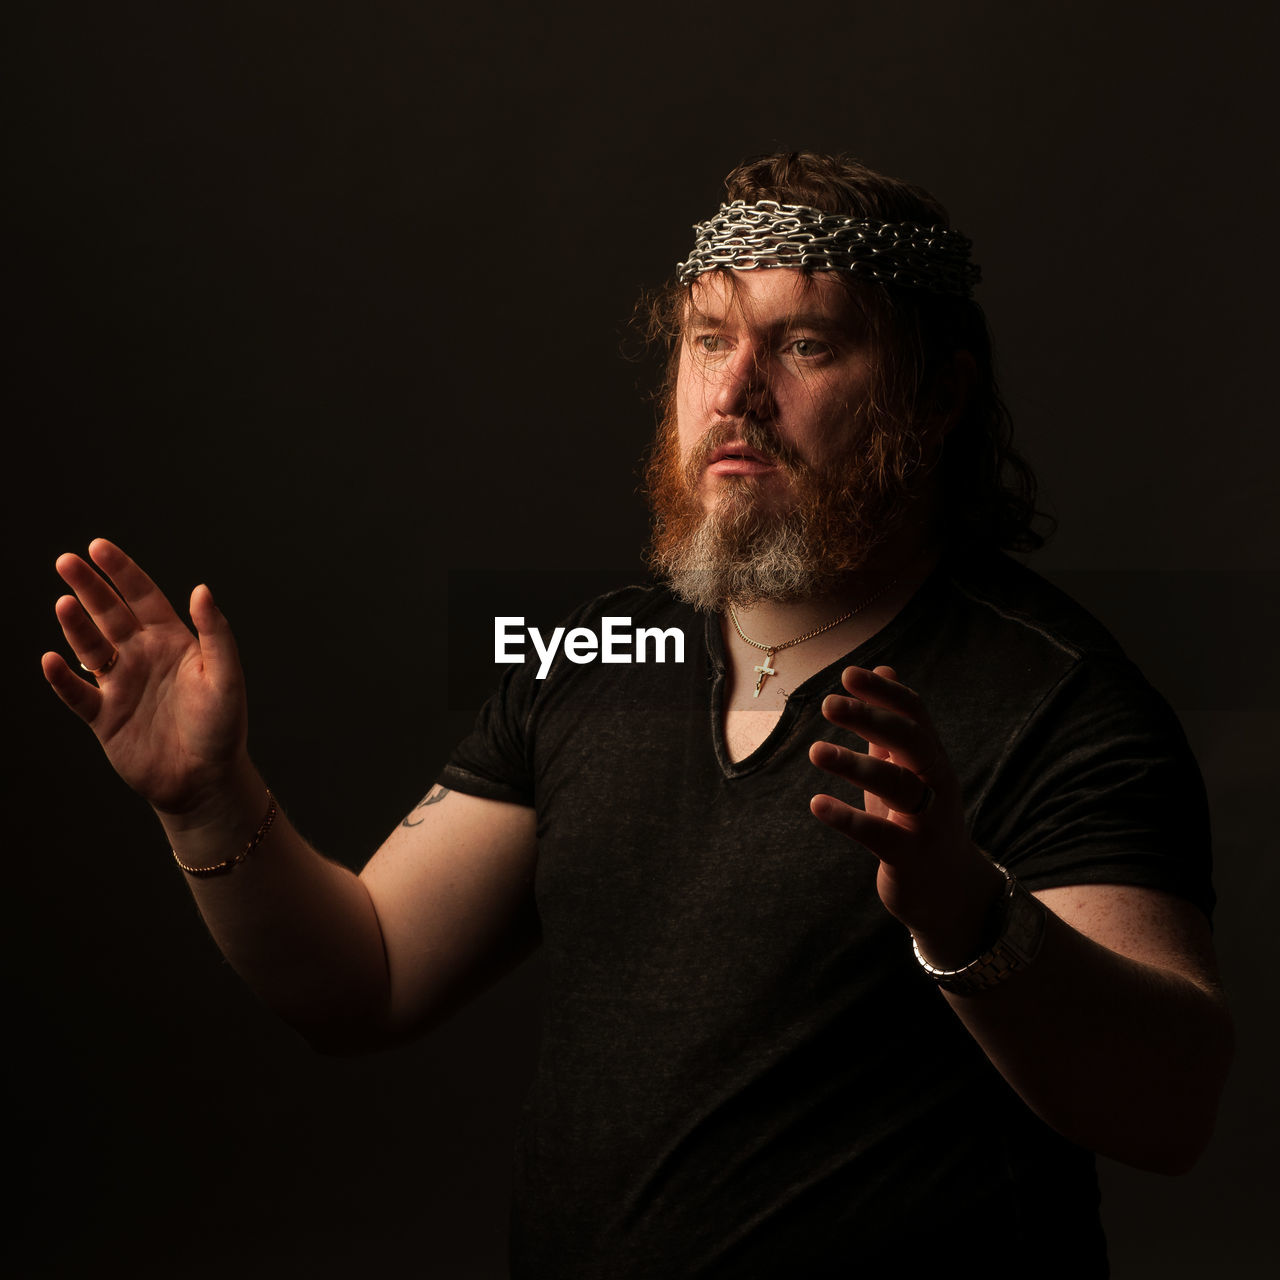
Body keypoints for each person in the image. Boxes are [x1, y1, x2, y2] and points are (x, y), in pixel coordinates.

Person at [43, 152, 1232, 1276]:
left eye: (803, 343)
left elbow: (1169, 1106)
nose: (736, 389)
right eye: (707, 338)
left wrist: (965, 915)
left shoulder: (1056, 694)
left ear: (934, 391)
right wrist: (209, 802)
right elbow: (368, 973)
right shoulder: (594, 651)